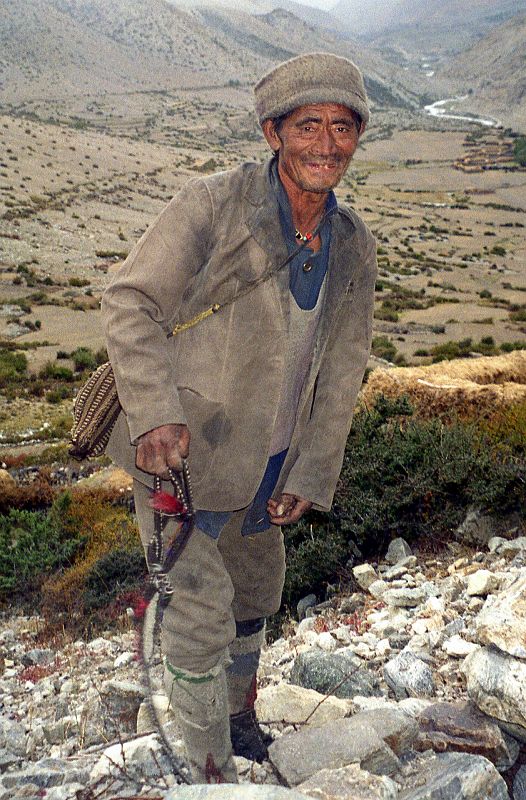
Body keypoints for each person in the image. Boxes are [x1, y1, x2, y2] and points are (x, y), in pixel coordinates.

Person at [101, 51, 377, 784]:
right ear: (272, 131)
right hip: (180, 456)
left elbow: (345, 367)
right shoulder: (212, 207)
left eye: (343, 126)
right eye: (308, 124)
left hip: (273, 462)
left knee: (256, 592)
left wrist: (312, 469)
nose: (327, 142)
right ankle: (206, 766)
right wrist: (153, 412)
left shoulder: (353, 245)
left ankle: (236, 718)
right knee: (197, 605)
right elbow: (130, 300)